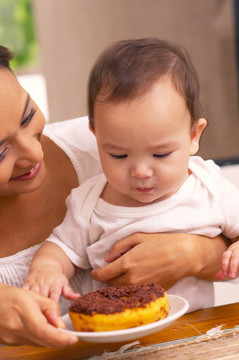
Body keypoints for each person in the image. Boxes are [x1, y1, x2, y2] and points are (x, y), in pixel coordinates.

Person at [24, 38, 239, 314]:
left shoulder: (207, 186)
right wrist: (47, 270)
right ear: (96, 136)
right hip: (115, 338)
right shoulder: (90, 201)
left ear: (193, 136)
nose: (140, 172)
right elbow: (61, 248)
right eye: (119, 156)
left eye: (160, 155)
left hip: (193, 333)